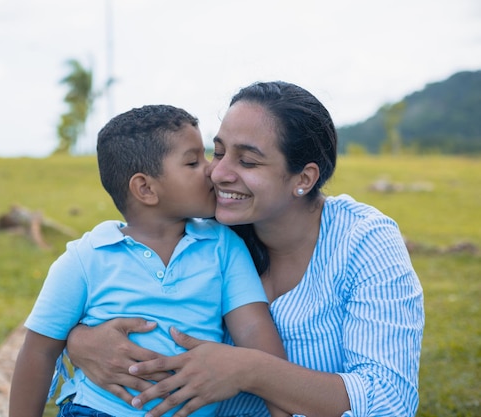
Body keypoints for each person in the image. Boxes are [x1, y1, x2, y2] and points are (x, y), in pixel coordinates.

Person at [65, 82, 425, 417]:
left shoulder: (363, 241)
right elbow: (103, 288)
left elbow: (389, 400)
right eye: (217, 152)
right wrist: (78, 340)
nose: (218, 173)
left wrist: (251, 371)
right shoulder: (201, 235)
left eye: (247, 161)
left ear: (304, 179)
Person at [9, 104, 287, 417]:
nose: (211, 169)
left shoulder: (222, 246)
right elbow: (39, 351)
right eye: (193, 162)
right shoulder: (86, 258)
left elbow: (253, 330)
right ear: (145, 188)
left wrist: (282, 408)